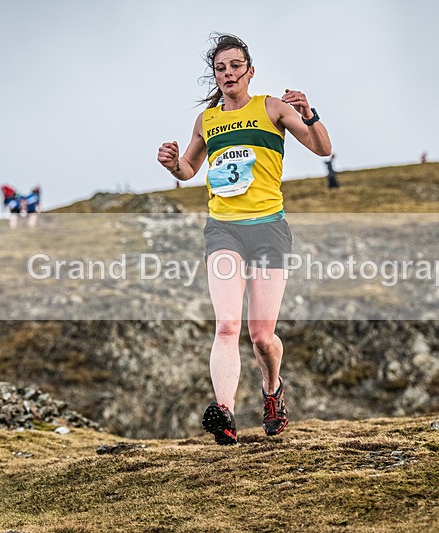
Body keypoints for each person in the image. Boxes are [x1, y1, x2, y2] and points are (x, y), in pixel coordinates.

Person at [157, 33, 332, 445]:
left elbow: (323, 148)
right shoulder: (207, 121)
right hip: (223, 229)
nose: (228, 73)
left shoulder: (272, 108)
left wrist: (308, 114)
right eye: (221, 68)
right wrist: (172, 164)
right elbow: (188, 170)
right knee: (227, 324)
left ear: (249, 71)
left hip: (269, 228)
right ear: (215, 76)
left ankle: (272, 391)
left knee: (261, 335)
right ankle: (225, 413)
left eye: (236, 66)